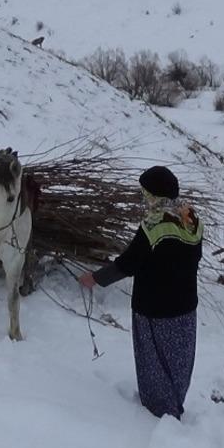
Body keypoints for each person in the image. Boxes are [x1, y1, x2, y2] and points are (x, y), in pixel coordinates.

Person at [78, 166, 203, 419]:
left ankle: (160, 414)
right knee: (178, 363)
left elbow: (128, 263)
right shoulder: (191, 218)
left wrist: (94, 278)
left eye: (145, 192)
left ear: (153, 194)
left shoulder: (153, 225)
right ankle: (175, 405)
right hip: (186, 308)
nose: (143, 197)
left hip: (154, 309)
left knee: (154, 363)